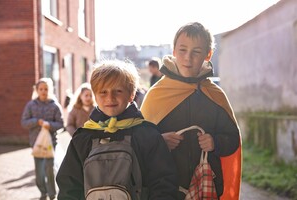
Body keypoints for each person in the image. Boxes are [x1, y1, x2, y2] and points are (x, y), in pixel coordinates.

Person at [141, 22, 242, 200]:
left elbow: (233, 139)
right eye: (182, 50)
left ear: (208, 54)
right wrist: (159, 141)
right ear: (173, 51)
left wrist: (215, 142)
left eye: (196, 52)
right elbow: (139, 141)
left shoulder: (215, 96)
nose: (188, 58)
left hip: (207, 188)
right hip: (165, 190)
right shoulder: (156, 94)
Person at [56, 60, 178, 200]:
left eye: (118, 91)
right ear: (95, 96)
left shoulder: (147, 135)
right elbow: (69, 187)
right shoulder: (82, 138)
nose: (110, 97)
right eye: (103, 92)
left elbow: (163, 182)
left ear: (131, 95)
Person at [21, 78, 64, 200]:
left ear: (50, 90)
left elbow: (61, 124)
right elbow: (24, 122)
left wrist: (50, 125)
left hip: (51, 143)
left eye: (46, 89)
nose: (43, 91)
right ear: (37, 90)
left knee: (49, 169)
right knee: (39, 171)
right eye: (41, 89)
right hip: (36, 143)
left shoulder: (55, 106)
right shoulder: (30, 105)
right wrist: (36, 122)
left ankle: (52, 194)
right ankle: (43, 192)